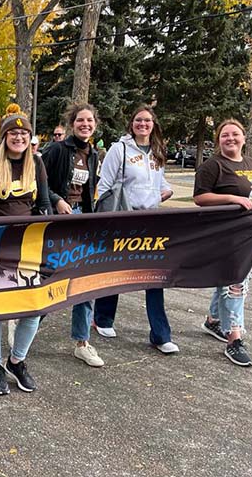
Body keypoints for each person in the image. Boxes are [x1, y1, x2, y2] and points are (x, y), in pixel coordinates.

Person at [0, 104, 51, 395]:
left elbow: (43, 205)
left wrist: (50, 235)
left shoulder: (36, 163)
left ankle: (17, 360)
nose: (19, 137)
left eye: (24, 132)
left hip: (26, 243)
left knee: (33, 306)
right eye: (13, 132)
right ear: (4, 137)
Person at [193, 119, 252, 367]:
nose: (230, 138)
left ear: (244, 138)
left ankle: (213, 320)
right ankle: (234, 338)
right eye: (225, 135)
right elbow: (200, 198)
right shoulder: (212, 166)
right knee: (235, 284)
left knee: (232, 281)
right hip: (227, 236)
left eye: (235, 134)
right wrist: (231, 198)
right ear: (218, 140)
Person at [93, 106, 178, 354]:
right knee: (116, 270)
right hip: (123, 219)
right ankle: (103, 318)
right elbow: (105, 185)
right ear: (131, 124)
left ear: (154, 124)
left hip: (150, 219)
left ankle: (160, 334)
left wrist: (167, 191)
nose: (143, 124)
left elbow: (161, 181)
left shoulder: (157, 151)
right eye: (138, 120)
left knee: (154, 275)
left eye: (147, 120)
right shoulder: (118, 150)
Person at [42, 104, 101, 367]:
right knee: (52, 277)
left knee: (86, 280)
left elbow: (90, 189)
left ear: (95, 125)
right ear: (72, 123)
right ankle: (28, 321)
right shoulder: (56, 150)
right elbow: (38, 180)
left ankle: (82, 342)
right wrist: (56, 200)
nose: (85, 124)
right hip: (59, 220)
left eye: (89, 120)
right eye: (80, 120)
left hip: (83, 220)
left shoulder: (94, 154)